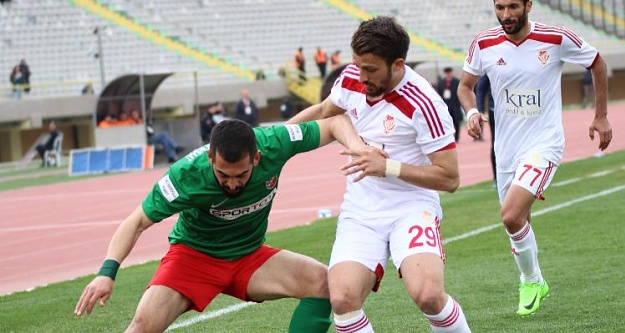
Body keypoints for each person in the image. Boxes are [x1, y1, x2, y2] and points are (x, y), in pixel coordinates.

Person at [74, 116, 372, 333]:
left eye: (240, 175)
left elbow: (335, 123)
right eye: (222, 175)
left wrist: (357, 146)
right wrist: (106, 273)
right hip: (193, 257)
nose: (231, 184)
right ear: (210, 158)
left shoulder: (275, 143)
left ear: (256, 157)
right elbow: (136, 221)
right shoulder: (187, 175)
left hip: (248, 255)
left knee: (322, 283)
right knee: (144, 326)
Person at [288, 16, 471, 332]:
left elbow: (449, 178)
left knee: (428, 295)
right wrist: (273, 140)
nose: (361, 76)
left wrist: (388, 166)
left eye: (370, 69)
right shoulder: (350, 79)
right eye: (357, 65)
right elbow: (321, 113)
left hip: (411, 207)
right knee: (342, 299)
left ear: (397, 64)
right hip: (361, 211)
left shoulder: (424, 103)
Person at [457, 0, 612, 317]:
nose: (506, 15)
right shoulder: (484, 43)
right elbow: (465, 86)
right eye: (499, 7)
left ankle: (531, 280)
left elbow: (597, 63)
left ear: (528, 5)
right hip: (506, 149)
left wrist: (602, 117)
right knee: (519, 220)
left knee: (511, 215)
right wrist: (471, 111)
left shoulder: (555, 38)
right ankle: (536, 281)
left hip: (544, 143)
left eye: (513, 7)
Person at [475, 75, 496, 185]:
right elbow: (480, 88)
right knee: (496, 144)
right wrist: (480, 110)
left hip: (516, 114)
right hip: (495, 112)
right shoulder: (492, 66)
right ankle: (496, 177)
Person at [436, 67, 463, 143]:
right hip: (446, 105)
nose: (448, 74)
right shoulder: (441, 82)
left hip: (455, 104)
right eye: (447, 73)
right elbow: (438, 93)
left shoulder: (457, 82)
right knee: (446, 122)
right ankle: (449, 137)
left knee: (456, 122)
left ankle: (457, 137)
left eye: (449, 73)